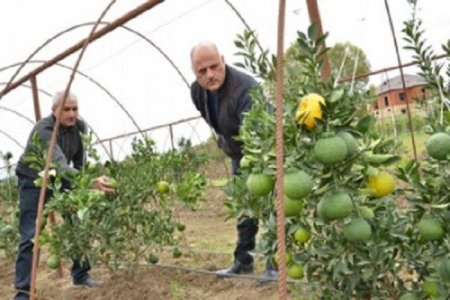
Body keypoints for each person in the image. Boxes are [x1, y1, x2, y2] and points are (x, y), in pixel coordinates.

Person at [14, 91, 115, 300]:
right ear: (54, 111)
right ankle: (23, 292)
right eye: (66, 109)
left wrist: (85, 187)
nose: (71, 114)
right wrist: (89, 182)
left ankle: (81, 274)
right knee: (31, 234)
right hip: (33, 180)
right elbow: (59, 164)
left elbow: (79, 163)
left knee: (76, 222)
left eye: (75, 109)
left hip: (62, 178)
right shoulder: (43, 130)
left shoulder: (80, 127)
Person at [190, 42, 277, 283]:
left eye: (215, 67)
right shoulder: (197, 92)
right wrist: (225, 142)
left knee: (273, 204)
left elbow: (259, 134)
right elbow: (217, 121)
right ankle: (244, 260)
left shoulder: (245, 89)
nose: (210, 75)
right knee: (244, 206)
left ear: (223, 60)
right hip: (240, 153)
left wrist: (259, 167)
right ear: (194, 72)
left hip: (265, 151)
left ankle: (275, 264)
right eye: (202, 71)